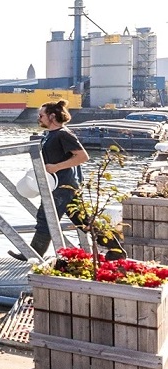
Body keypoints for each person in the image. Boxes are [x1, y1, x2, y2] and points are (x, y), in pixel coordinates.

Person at [10, 100, 122, 261]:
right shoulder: (50, 135)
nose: (39, 118)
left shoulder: (63, 134)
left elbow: (83, 156)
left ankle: (33, 255)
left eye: (41, 115)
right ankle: (116, 250)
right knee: (83, 220)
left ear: (52, 116)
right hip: (63, 184)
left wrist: (56, 167)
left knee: (46, 217)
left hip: (63, 186)